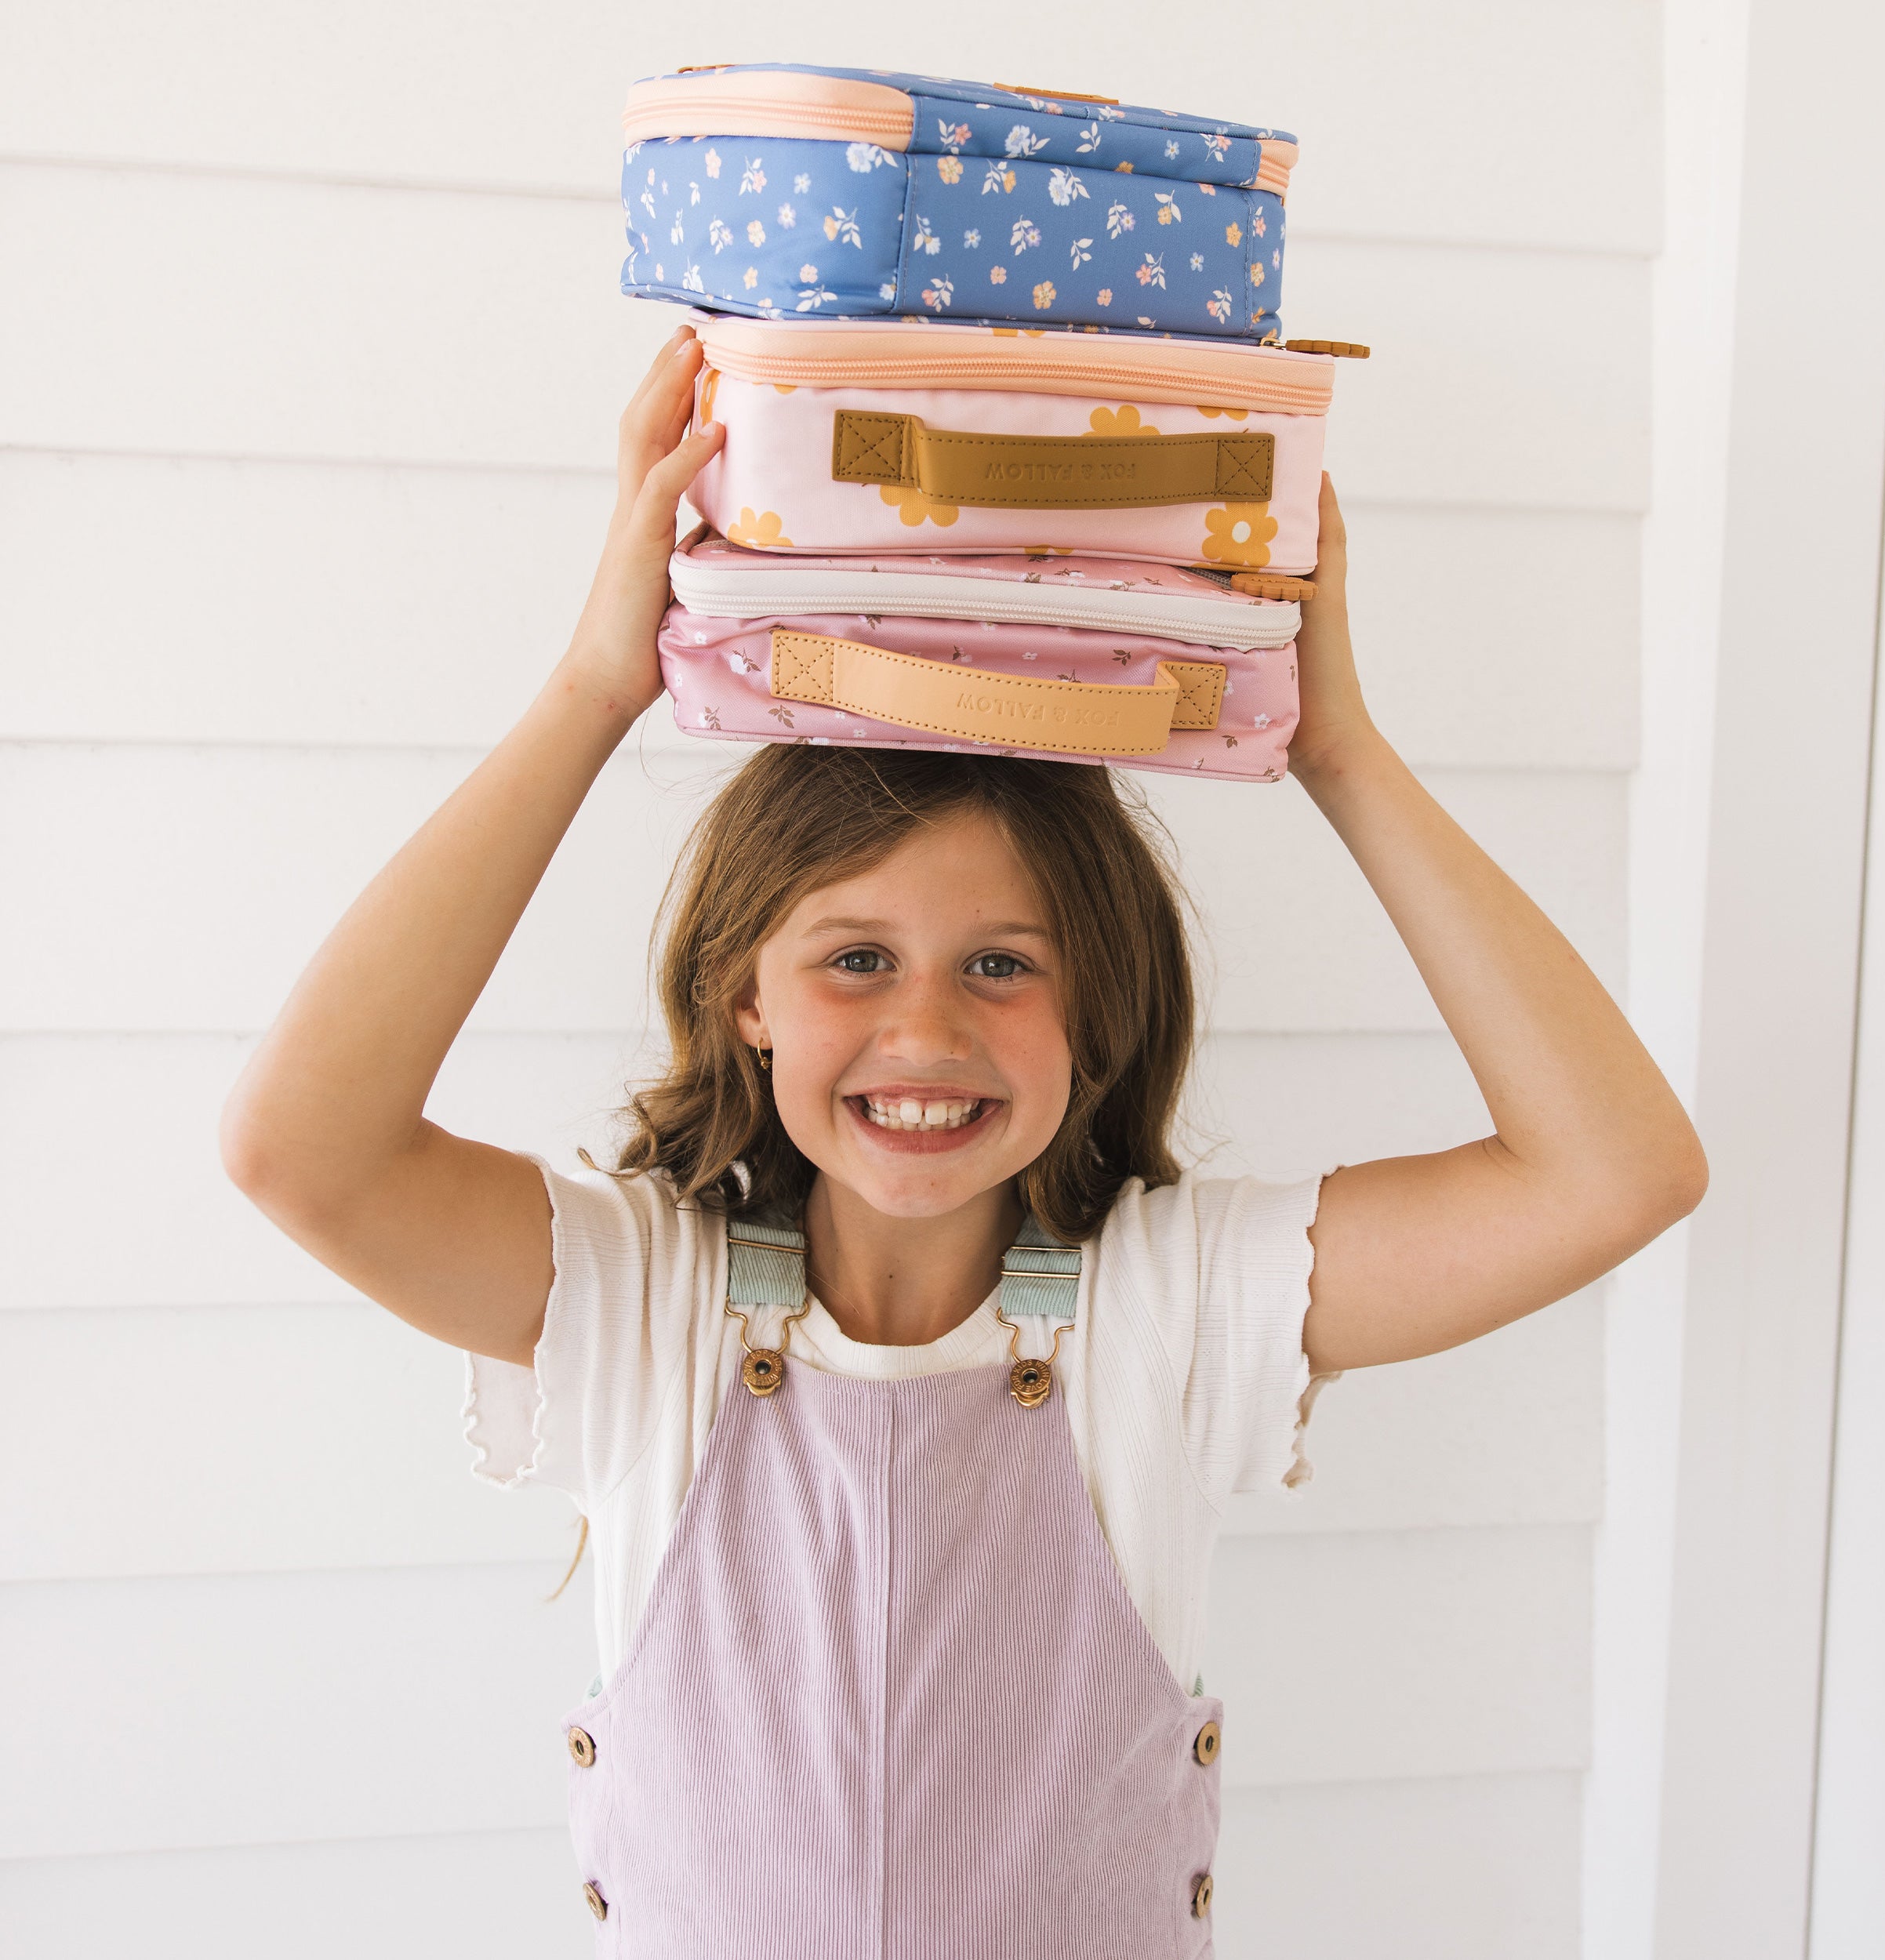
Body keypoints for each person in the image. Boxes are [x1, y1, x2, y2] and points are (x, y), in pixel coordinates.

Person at [221, 325, 1706, 1953]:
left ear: (1096, 1015)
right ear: (745, 1003)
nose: (923, 1031)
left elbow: (1611, 1170)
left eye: (1000, 964)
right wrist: (595, 684)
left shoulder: (1171, 1310)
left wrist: (1337, 751)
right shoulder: (646, 1306)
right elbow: (302, 1147)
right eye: (854, 957)